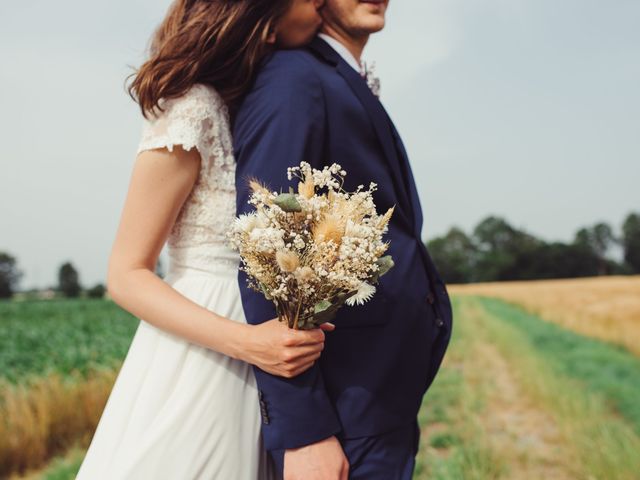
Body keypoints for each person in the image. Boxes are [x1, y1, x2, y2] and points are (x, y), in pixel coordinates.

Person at [75, 1, 328, 479]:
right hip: (207, 350)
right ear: (265, 22)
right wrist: (249, 344)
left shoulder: (256, 103)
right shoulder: (194, 106)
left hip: (266, 347)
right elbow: (126, 274)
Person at [232, 0, 454, 478]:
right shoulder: (293, 78)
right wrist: (304, 431)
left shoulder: (339, 77)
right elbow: (266, 253)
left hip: (380, 394)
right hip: (343, 407)